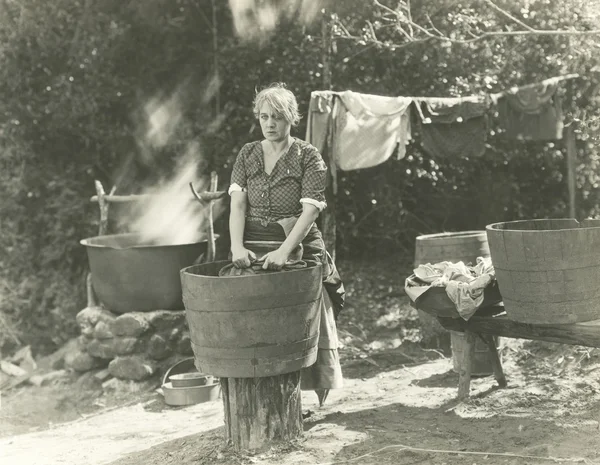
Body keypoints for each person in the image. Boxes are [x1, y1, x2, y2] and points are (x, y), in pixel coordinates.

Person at [228, 82, 345, 406]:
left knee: (305, 308)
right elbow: (237, 204)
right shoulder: (247, 153)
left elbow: (310, 210)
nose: (269, 123)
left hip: (297, 241)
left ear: (291, 118)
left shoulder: (307, 155)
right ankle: (259, 391)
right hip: (252, 240)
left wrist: (283, 251)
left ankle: (312, 391)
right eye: (264, 116)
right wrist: (237, 247)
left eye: (277, 117)